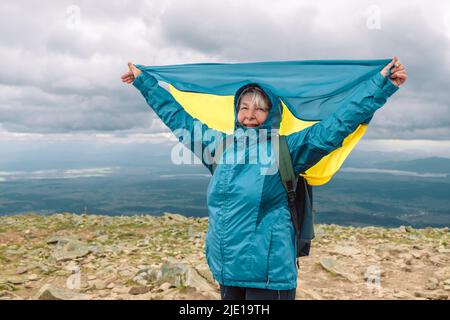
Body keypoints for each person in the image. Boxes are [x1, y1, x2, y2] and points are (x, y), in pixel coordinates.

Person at [121, 57, 407, 300]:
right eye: (244, 107)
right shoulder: (219, 147)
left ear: (272, 113)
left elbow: (336, 125)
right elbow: (178, 118)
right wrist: (145, 83)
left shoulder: (288, 149)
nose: (250, 113)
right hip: (226, 268)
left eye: (259, 107)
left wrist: (381, 85)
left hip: (269, 275)